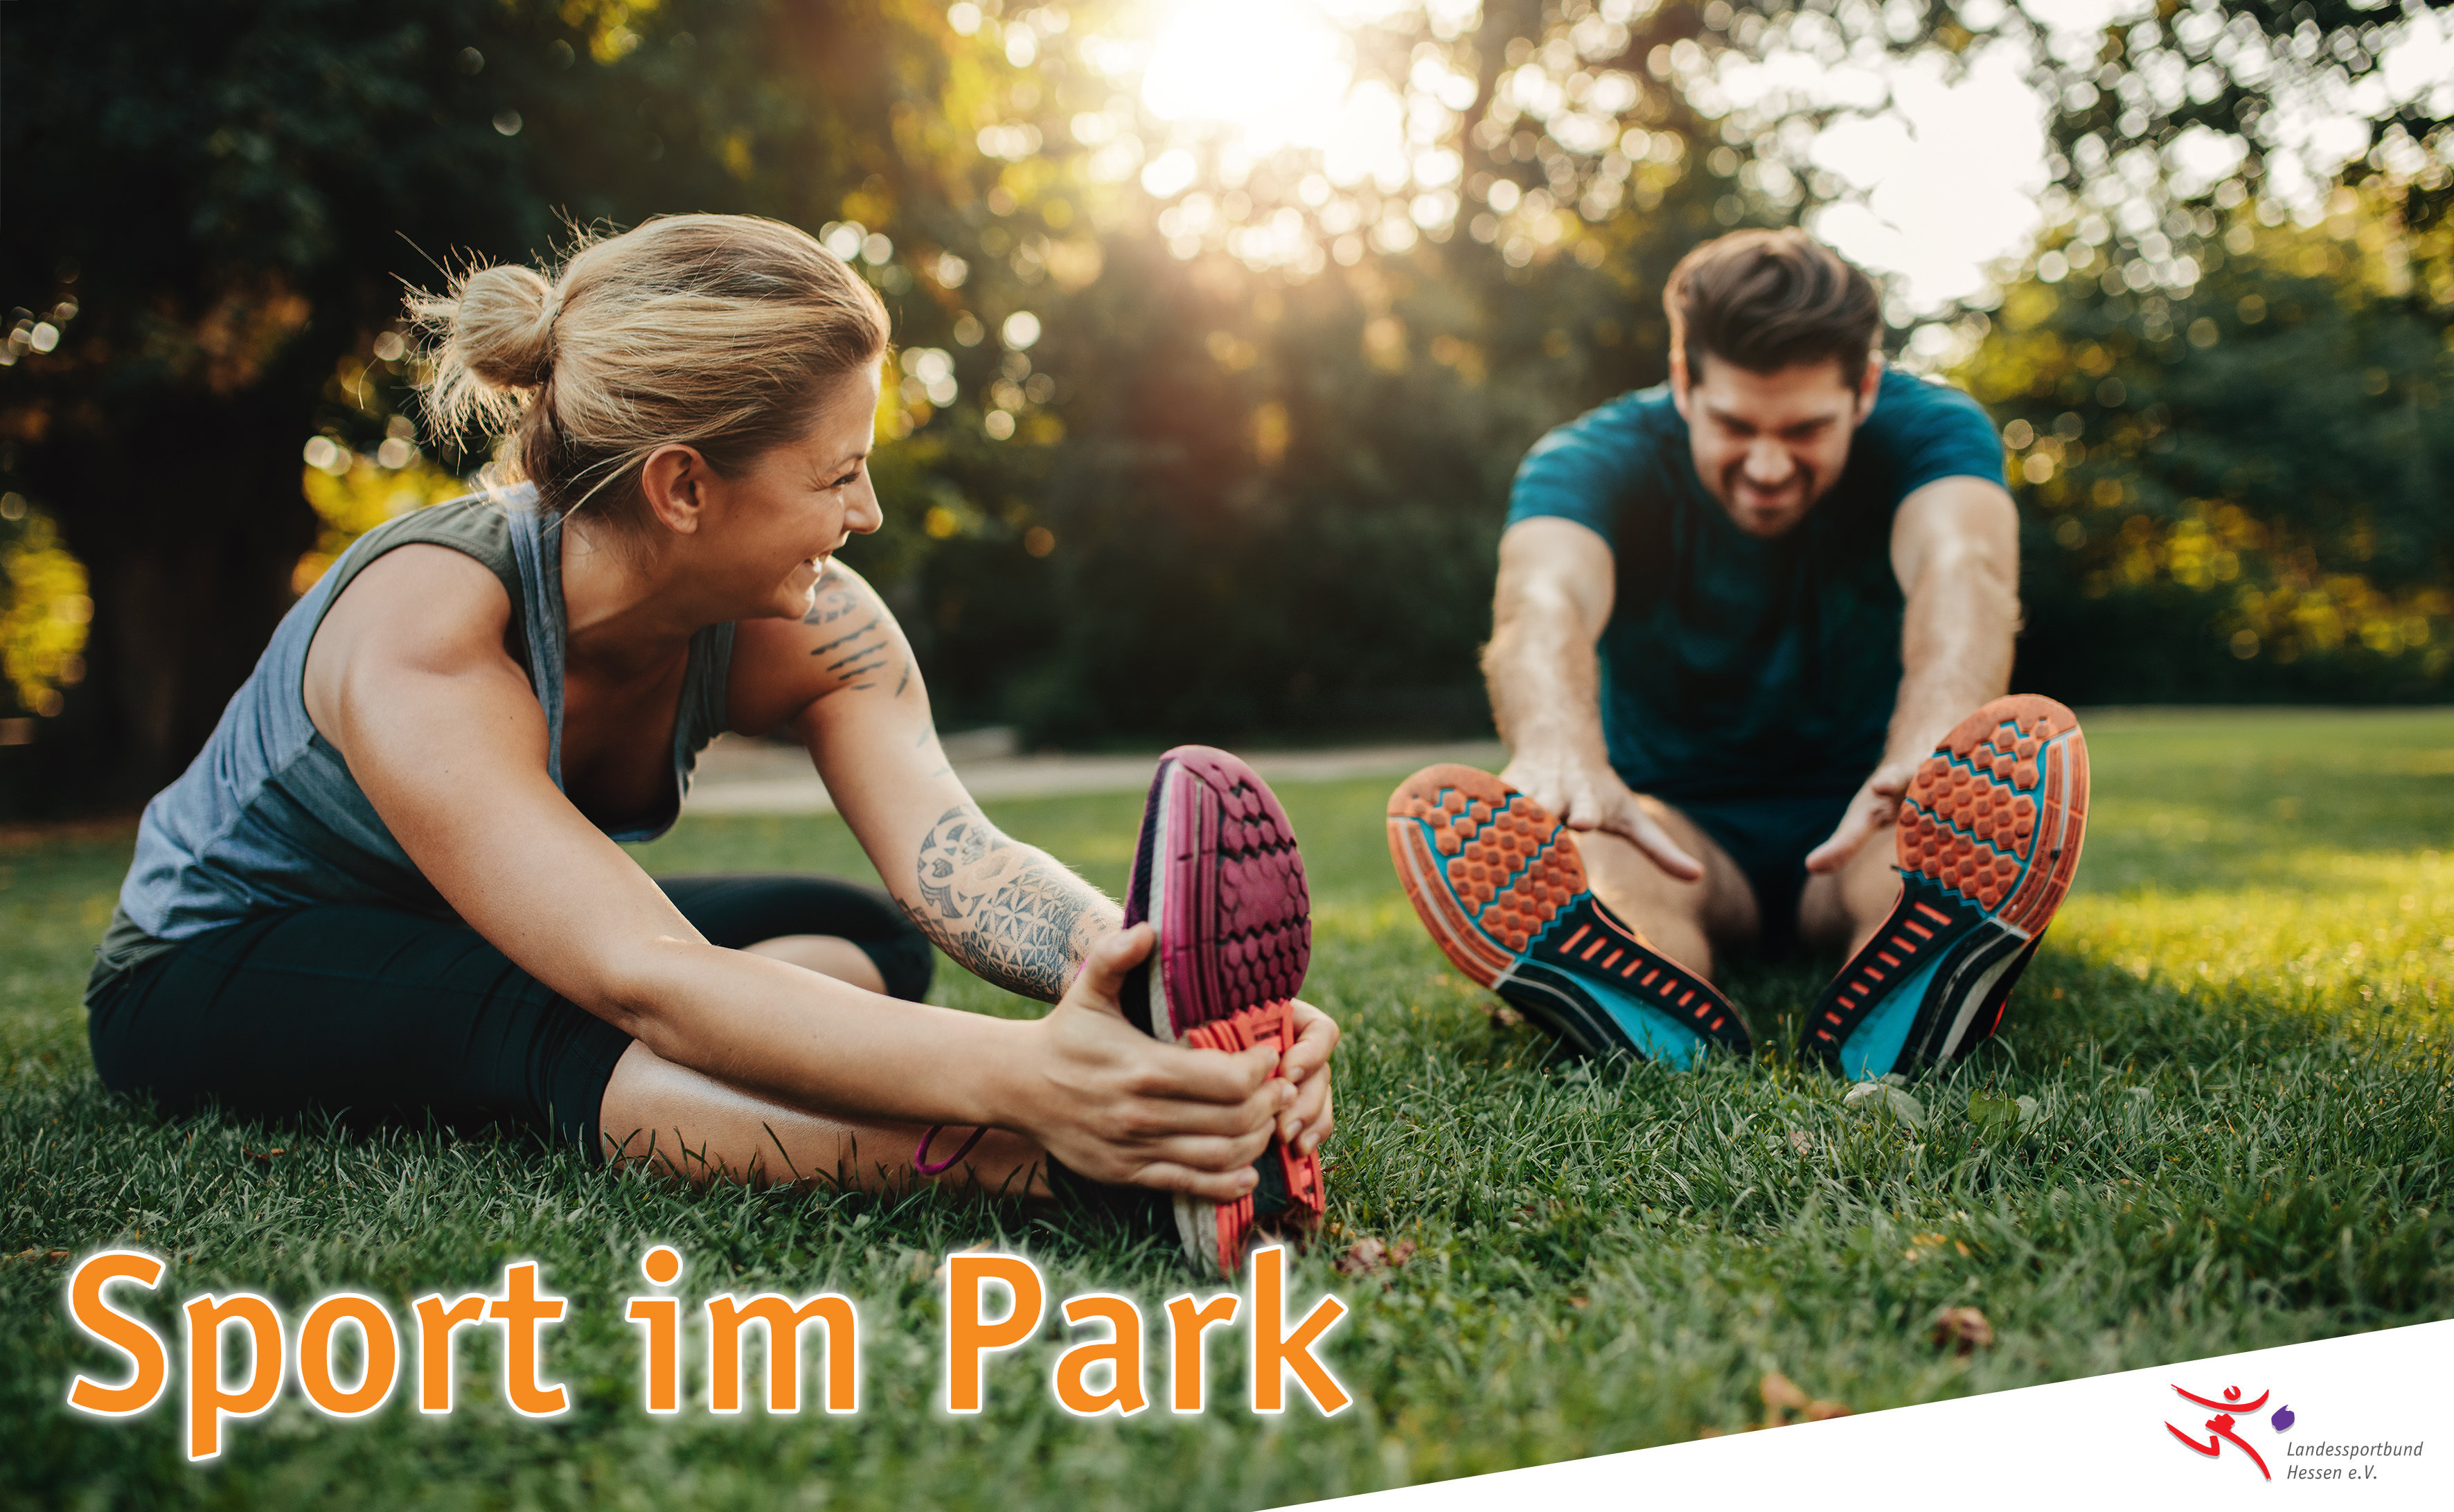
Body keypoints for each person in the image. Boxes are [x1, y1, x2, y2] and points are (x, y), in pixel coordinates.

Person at [82, 213, 1336, 1273]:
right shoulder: (429, 622)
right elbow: (643, 972)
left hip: (472, 928)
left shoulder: (810, 619)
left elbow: (953, 853)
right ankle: (1056, 1173)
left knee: (870, 941)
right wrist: (1037, 1082)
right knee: (577, 1014)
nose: (869, 511)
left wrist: (1158, 997)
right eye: (836, 474)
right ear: (683, 487)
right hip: (221, 959)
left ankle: (718, 1081)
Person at [1388, 229, 2089, 1080]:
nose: (1765, 463)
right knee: (1608, 865)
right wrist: (1558, 748)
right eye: (1733, 424)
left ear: (1864, 388)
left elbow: (1961, 565)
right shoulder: (1588, 459)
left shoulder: (1934, 430)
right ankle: (1647, 1000)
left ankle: (1915, 990)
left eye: (1803, 430)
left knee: (1915, 864)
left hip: (1864, 812)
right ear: (1684, 382)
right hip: (1677, 826)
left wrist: (1933, 744)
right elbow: (1544, 598)